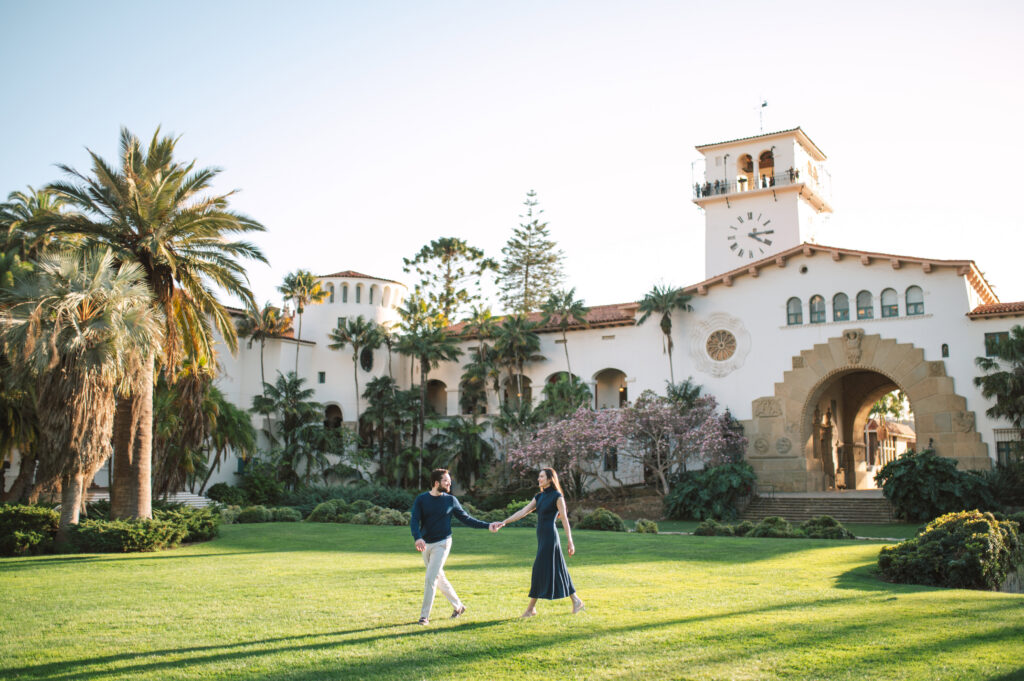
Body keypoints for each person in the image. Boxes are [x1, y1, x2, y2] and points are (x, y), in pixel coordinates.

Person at [410, 468, 500, 625]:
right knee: (439, 578)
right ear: (437, 483)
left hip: (442, 543)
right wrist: (418, 538)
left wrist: (487, 525)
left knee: (431, 578)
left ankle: (424, 617)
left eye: (449, 480)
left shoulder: (450, 500)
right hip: (426, 544)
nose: (449, 483)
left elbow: (467, 519)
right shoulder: (421, 499)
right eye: (446, 480)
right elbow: (414, 520)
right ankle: (458, 607)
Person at [495, 467, 585, 618]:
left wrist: (570, 541)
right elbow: (522, 512)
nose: (539, 479)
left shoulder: (557, 496)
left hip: (550, 538)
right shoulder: (539, 497)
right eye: (539, 477)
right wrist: (505, 521)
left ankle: (531, 609)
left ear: (550, 479)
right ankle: (576, 601)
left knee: (539, 570)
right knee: (559, 569)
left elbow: (564, 519)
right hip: (542, 537)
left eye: (542, 476)